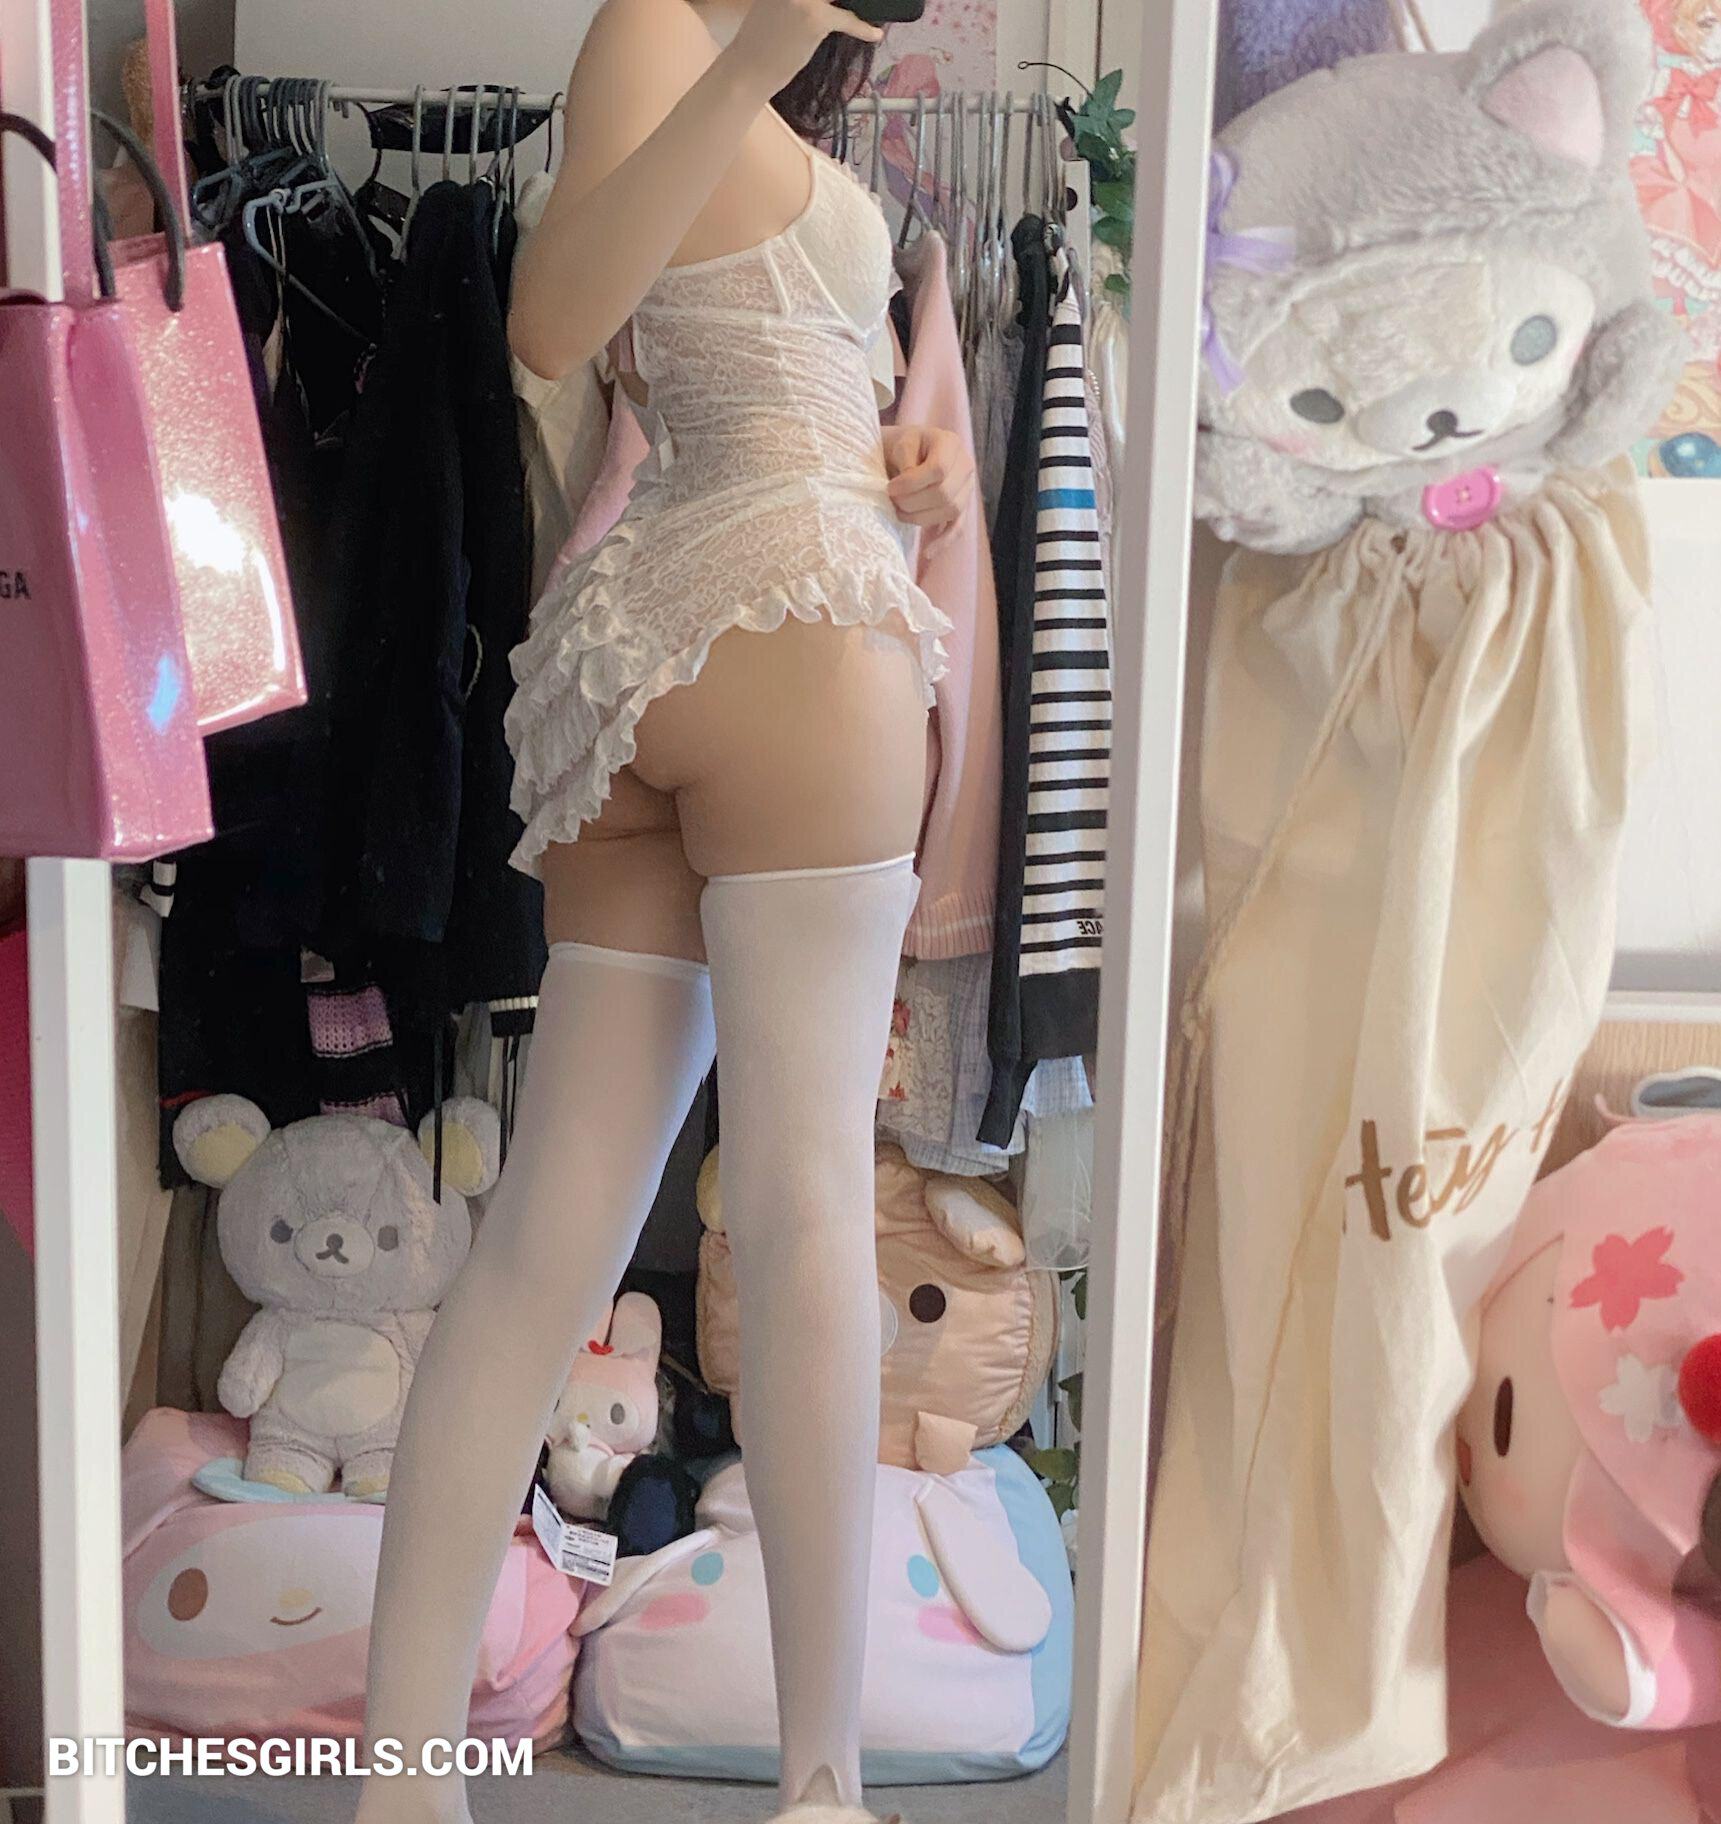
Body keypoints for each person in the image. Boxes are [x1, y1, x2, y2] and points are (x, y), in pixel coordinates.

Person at [355, 3, 971, 1821]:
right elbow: (551, 324)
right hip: (790, 647)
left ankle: (403, 1780)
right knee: (800, 1214)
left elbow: (760, 372)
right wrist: (750, 55)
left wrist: (914, 467)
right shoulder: (667, 30)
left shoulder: (732, 79)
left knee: (551, 1241)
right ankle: (821, 1785)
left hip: (659, 643)